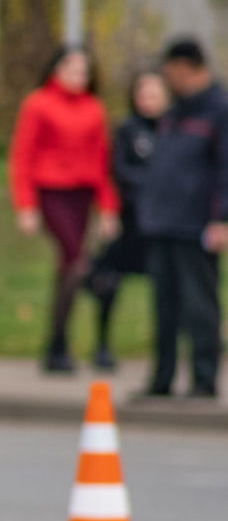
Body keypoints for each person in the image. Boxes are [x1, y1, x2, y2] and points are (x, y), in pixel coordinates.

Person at [9, 46, 120, 374]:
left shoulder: (94, 109)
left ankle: (57, 344)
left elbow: (101, 161)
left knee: (70, 268)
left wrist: (107, 207)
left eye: (83, 72)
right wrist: (25, 205)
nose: (77, 77)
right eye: (71, 69)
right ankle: (58, 340)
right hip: (51, 191)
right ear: (56, 70)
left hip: (82, 193)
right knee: (76, 261)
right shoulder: (38, 104)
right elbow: (22, 155)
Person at [138, 39, 228, 399]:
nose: (166, 79)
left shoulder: (219, 110)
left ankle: (204, 380)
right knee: (164, 305)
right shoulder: (174, 113)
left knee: (199, 305)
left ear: (188, 68)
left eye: (170, 72)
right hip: (162, 222)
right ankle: (162, 379)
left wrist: (221, 219)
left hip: (197, 225)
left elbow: (225, 169)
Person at [84, 71, 169, 372]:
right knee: (109, 281)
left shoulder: (176, 129)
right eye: (143, 94)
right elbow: (117, 170)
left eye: (155, 94)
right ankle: (102, 344)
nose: (148, 100)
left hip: (164, 223)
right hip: (130, 219)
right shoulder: (127, 130)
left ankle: (166, 354)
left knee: (168, 288)